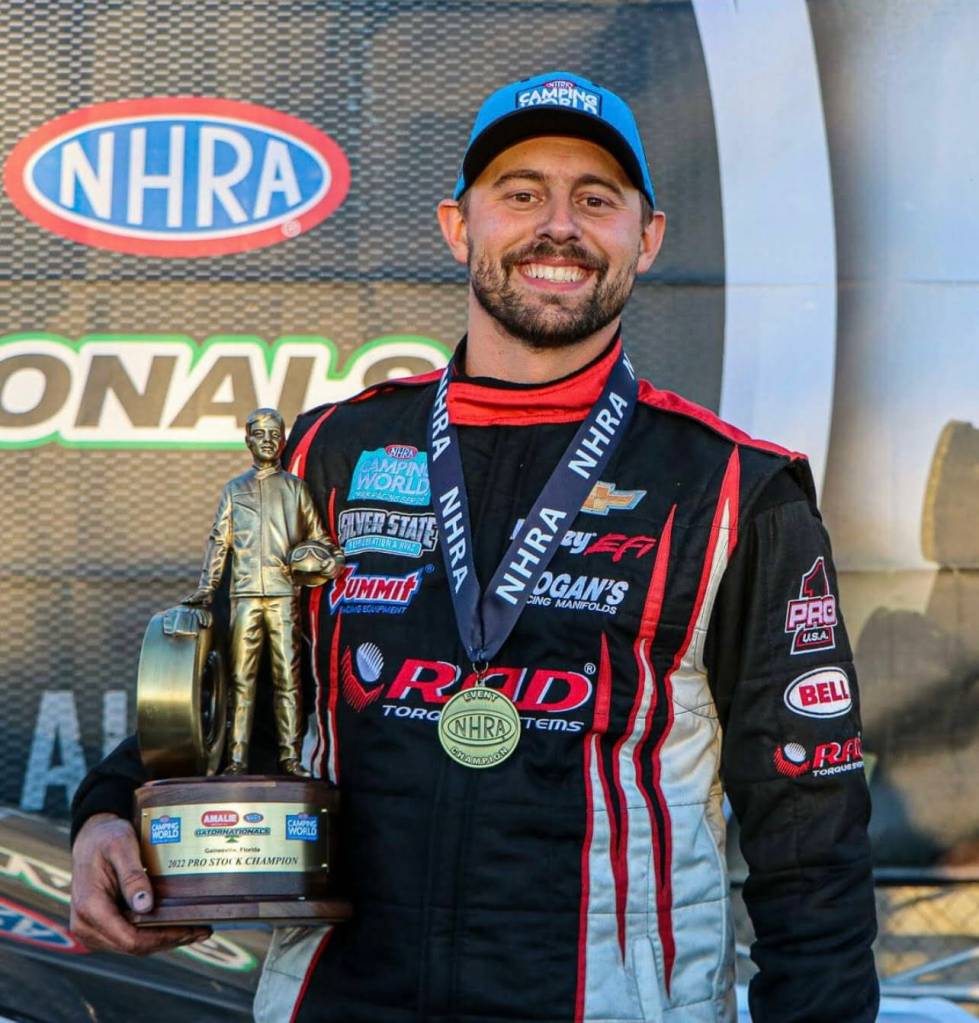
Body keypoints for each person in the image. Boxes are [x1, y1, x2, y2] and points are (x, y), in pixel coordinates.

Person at [70, 71, 878, 1022]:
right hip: (338, 1002)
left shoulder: (734, 487)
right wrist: (109, 808)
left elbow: (808, 833)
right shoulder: (332, 451)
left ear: (648, 238)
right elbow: (223, 687)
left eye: (596, 200)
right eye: (521, 194)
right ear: (458, 227)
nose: (558, 227)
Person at [182, 407, 341, 777]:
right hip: (244, 596)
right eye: (260, 434)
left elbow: (321, 540)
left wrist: (329, 563)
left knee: (289, 679)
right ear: (247, 441)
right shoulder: (234, 490)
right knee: (241, 679)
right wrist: (207, 588)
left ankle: (290, 759)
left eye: (274, 434)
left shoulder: (296, 489)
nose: (267, 441)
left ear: (282, 441)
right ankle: (236, 759)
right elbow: (219, 542)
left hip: (284, 597)